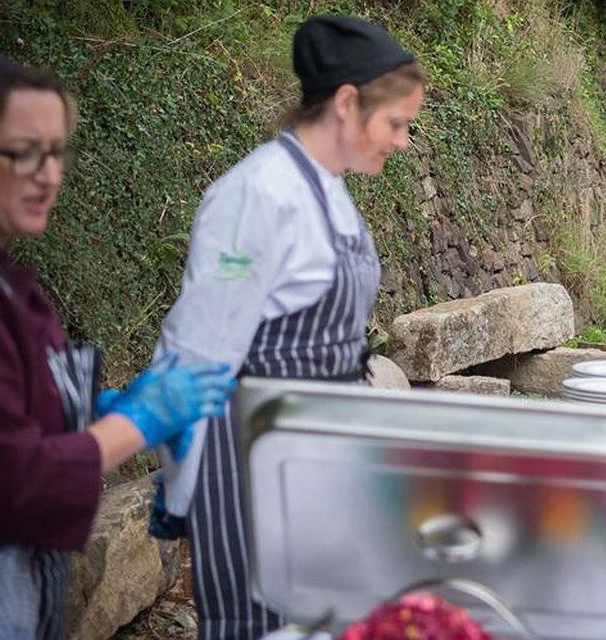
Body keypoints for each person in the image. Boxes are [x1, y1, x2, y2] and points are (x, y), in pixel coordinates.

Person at [150, 16, 424, 640]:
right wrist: (179, 480)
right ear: (347, 103)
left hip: (318, 454)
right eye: (396, 124)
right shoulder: (258, 195)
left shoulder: (330, 192)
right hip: (252, 462)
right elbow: (197, 350)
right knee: (260, 623)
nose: (403, 142)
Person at [0, 49, 233, 639]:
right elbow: (7, 479)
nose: (48, 175)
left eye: (56, 152)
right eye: (23, 153)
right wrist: (137, 424)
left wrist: (83, 408)